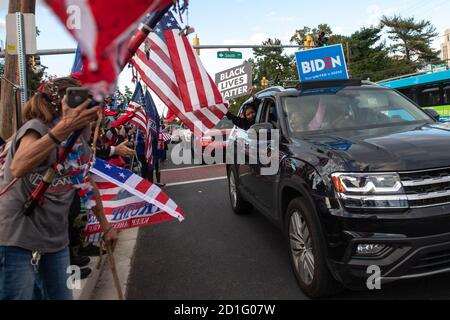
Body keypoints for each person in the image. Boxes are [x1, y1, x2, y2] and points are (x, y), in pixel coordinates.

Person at [0, 77, 118, 300]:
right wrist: (62, 129)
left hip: (55, 240)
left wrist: (105, 226)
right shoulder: (36, 129)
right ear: (63, 103)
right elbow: (19, 166)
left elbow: (86, 183)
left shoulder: (78, 144)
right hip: (15, 239)